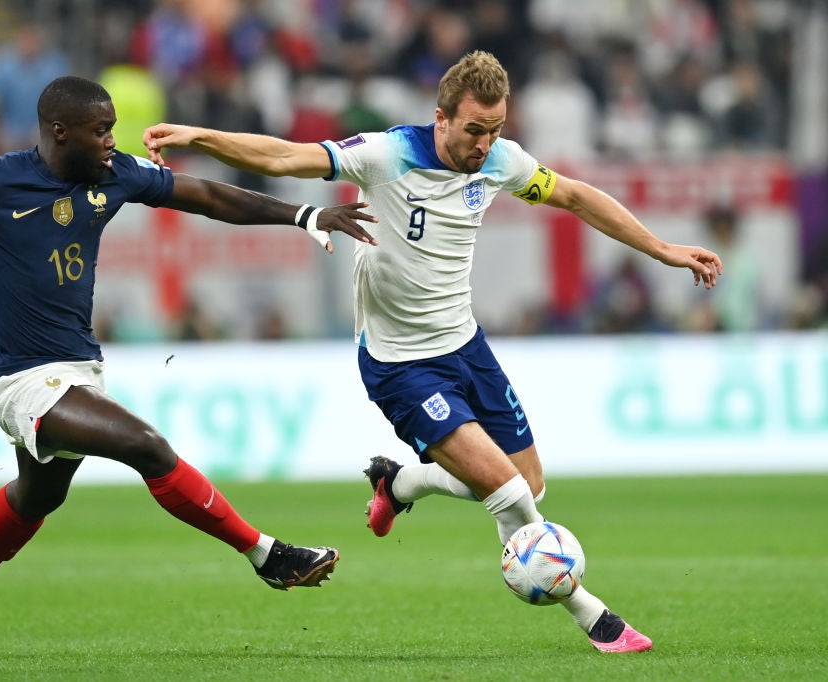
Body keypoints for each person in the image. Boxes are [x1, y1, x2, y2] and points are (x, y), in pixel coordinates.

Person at [143, 50, 724, 654]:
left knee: (527, 483)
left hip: (465, 345)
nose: (485, 144)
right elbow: (288, 155)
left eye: (495, 130)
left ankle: (401, 485)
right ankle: (595, 617)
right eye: (474, 130)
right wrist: (201, 136)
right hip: (400, 363)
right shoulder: (388, 154)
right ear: (441, 118)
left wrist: (664, 249)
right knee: (508, 491)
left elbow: (575, 197)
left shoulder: (501, 162)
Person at [0, 75, 378, 658]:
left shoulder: (112, 174)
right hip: (19, 378)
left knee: (38, 497)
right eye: (101, 131)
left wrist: (304, 217)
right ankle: (266, 555)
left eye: (113, 128)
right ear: (60, 133)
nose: (112, 141)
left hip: (79, 366)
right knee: (145, 445)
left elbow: (207, 196)